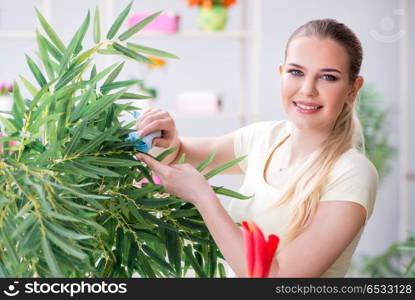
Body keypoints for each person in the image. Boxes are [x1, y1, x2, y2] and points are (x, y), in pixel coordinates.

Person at [135, 18, 379, 278]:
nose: (307, 90)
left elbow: (278, 279)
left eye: (328, 77)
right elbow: (179, 155)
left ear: (352, 90)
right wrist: (167, 136)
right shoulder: (263, 138)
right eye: (296, 72)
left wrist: (203, 198)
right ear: (281, 72)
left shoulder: (352, 174)